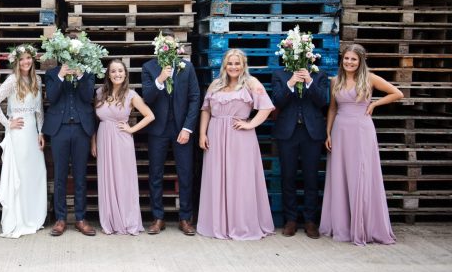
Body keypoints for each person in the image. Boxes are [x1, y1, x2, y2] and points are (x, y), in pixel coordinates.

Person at [320, 44, 403, 246]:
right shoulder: (335, 81)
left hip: (361, 130)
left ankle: (364, 225)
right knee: (340, 175)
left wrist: (374, 103)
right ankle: (343, 224)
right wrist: (328, 133)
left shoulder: (370, 78)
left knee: (361, 174)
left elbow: (397, 93)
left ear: (361, 61)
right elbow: (332, 108)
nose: (349, 62)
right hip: (340, 130)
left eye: (353, 59)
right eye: (346, 59)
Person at [197, 49, 275, 240]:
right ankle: (218, 223)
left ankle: (241, 224)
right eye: (230, 63)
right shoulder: (215, 85)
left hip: (240, 138)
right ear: (224, 65)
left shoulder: (251, 83)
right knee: (217, 177)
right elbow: (206, 110)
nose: (233, 67)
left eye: (237, 63)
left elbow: (266, 107)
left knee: (240, 179)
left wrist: (250, 124)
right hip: (215, 135)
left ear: (243, 65)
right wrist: (202, 134)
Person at [141, 30, 200, 236]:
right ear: (158, 47)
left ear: (177, 47)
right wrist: (160, 79)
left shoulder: (187, 67)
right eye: (164, 44)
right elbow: (147, 97)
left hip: (181, 128)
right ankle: (158, 218)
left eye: (172, 44)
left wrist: (187, 128)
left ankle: (185, 218)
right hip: (158, 129)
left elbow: (194, 98)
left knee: (185, 173)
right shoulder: (149, 67)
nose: (168, 47)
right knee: (155, 174)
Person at [0, 44, 47, 238]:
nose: (26, 62)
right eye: (22, 59)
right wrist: (7, 123)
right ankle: (19, 219)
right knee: (19, 176)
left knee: (35, 173)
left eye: (29, 58)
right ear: (17, 62)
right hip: (19, 133)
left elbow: (39, 110)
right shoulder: (12, 80)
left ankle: (33, 216)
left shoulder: (36, 79)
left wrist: (40, 132)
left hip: (32, 134)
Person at [42, 29, 97, 237]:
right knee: (60, 176)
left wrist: (81, 75)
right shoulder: (51, 74)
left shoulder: (88, 73)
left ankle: (81, 218)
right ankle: (61, 219)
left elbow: (86, 97)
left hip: (82, 129)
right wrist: (61, 75)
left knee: (81, 175)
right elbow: (53, 98)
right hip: (60, 130)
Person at [91, 59, 155, 235]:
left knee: (124, 179)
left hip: (122, 140)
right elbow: (94, 121)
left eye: (120, 71)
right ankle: (110, 220)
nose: (117, 74)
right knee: (107, 179)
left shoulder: (131, 95)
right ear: (108, 74)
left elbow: (150, 116)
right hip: (104, 138)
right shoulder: (99, 93)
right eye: (113, 71)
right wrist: (93, 141)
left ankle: (127, 219)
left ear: (125, 74)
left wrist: (131, 129)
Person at [271, 65, 329, 238]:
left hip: (312, 132)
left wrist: (310, 82)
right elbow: (277, 101)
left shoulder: (319, 75)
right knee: (288, 176)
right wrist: (290, 83)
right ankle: (291, 220)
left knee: (311, 177)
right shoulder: (279, 75)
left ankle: (310, 221)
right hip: (288, 132)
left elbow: (323, 101)